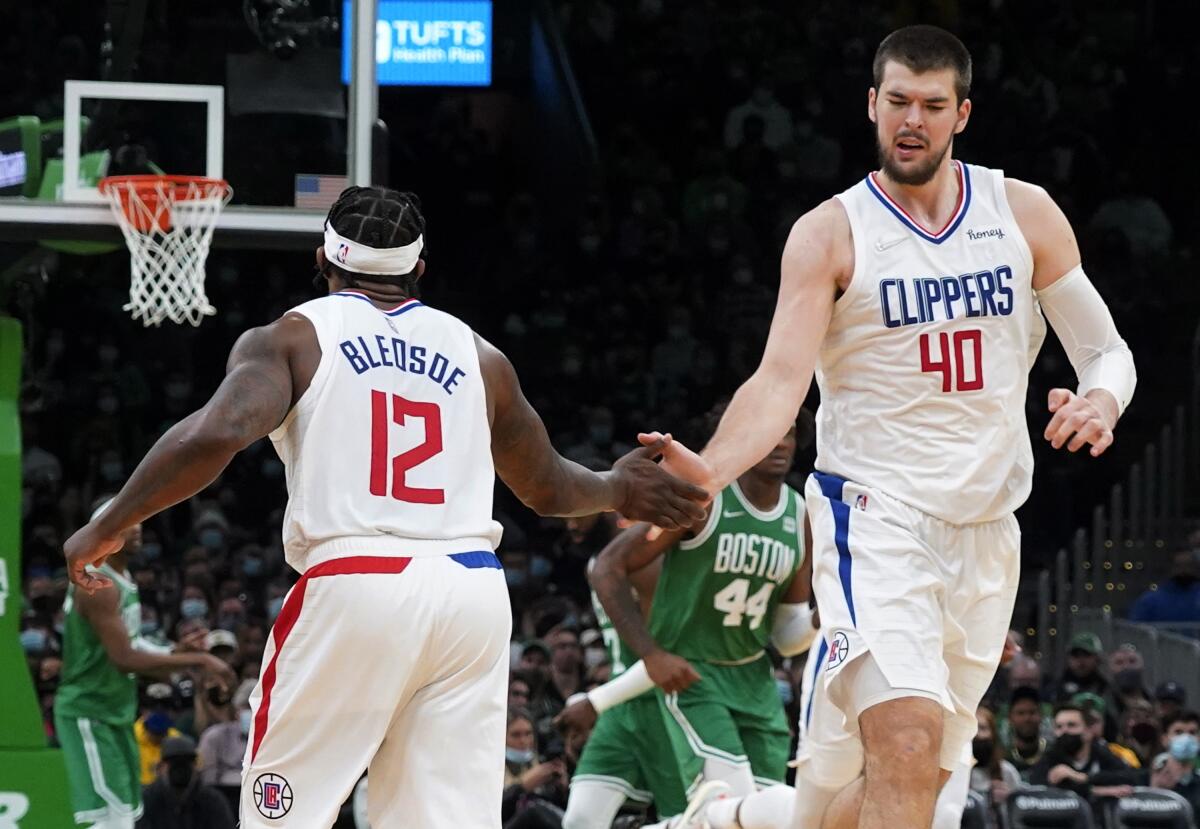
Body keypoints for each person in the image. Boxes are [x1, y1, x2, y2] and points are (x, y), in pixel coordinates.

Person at [62, 186, 708, 829]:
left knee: (280, 807)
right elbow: (546, 488)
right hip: (471, 594)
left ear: (323, 257)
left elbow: (215, 433)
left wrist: (107, 523)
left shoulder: (295, 335)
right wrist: (617, 487)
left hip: (358, 580)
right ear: (418, 268)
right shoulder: (480, 355)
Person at [641, 24, 1136, 829]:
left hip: (985, 528)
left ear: (961, 113)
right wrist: (704, 471)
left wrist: (1102, 400)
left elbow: (1108, 350)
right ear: (873, 105)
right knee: (906, 747)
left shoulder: (1024, 213)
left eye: (932, 105)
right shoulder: (830, 232)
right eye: (898, 101)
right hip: (872, 516)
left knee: (865, 796)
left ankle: (720, 819)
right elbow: (777, 384)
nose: (913, 119)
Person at [592, 416, 814, 806]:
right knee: (735, 807)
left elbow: (787, 636)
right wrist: (651, 653)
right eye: (771, 432)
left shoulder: (800, 516)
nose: (780, 443)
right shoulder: (703, 499)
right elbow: (608, 566)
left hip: (756, 684)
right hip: (695, 676)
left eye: (790, 435)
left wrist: (824, 615)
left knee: (771, 814)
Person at [55, 498, 235, 829]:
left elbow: (133, 643)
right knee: (105, 817)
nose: (136, 527)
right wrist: (200, 659)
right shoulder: (98, 584)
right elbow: (124, 659)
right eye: (126, 522)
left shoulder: (123, 579)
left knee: (126, 812)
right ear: (103, 531)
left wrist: (174, 651)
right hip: (89, 709)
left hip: (115, 708)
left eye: (138, 520)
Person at [558, 530, 691, 827]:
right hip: (620, 710)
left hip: (666, 706)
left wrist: (595, 701)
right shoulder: (597, 564)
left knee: (685, 821)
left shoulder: (650, 563)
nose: (569, 517)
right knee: (579, 821)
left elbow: (665, 660)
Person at [1028, 704, 1138, 807]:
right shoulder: (1051, 757)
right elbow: (1039, 788)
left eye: (1071, 725)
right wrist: (1100, 791)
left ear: (1088, 731)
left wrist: (1082, 777)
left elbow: (1129, 777)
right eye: (1059, 727)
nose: (1064, 731)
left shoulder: (1100, 752)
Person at [137, 735, 235, 829]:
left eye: (186, 761)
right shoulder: (147, 800)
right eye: (174, 761)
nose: (180, 767)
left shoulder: (213, 802)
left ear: (196, 766)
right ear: (161, 767)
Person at [969, 707, 1021, 828]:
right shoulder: (954, 772)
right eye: (972, 728)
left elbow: (1022, 812)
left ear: (993, 734)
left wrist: (1009, 800)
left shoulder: (1007, 771)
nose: (977, 734)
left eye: (982, 728)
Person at [1148, 710, 1200, 815]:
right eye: (1178, 732)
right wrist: (1154, 790)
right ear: (1164, 739)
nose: (1186, 738)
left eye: (1192, 733)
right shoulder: (1144, 778)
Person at [1129, 551, 1200, 623]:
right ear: (1171, 568)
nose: (1183, 571)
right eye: (1178, 566)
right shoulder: (1149, 601)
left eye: (1188, 566)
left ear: (1196, 568)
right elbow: (1136, 630)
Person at [1003, 686, 1049, 778]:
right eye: (1020, 713)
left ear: (1041, 716)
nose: (1027, 718)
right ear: (1010, 718)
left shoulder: (1051, 755)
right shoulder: (1002, 756)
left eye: (1032, 712)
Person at [1051, 633, 1110, 701]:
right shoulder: (1056, 688)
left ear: (1097, 658)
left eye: (1086, 655)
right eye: (1075, 655)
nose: (1081, 661)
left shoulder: (1105, 688)